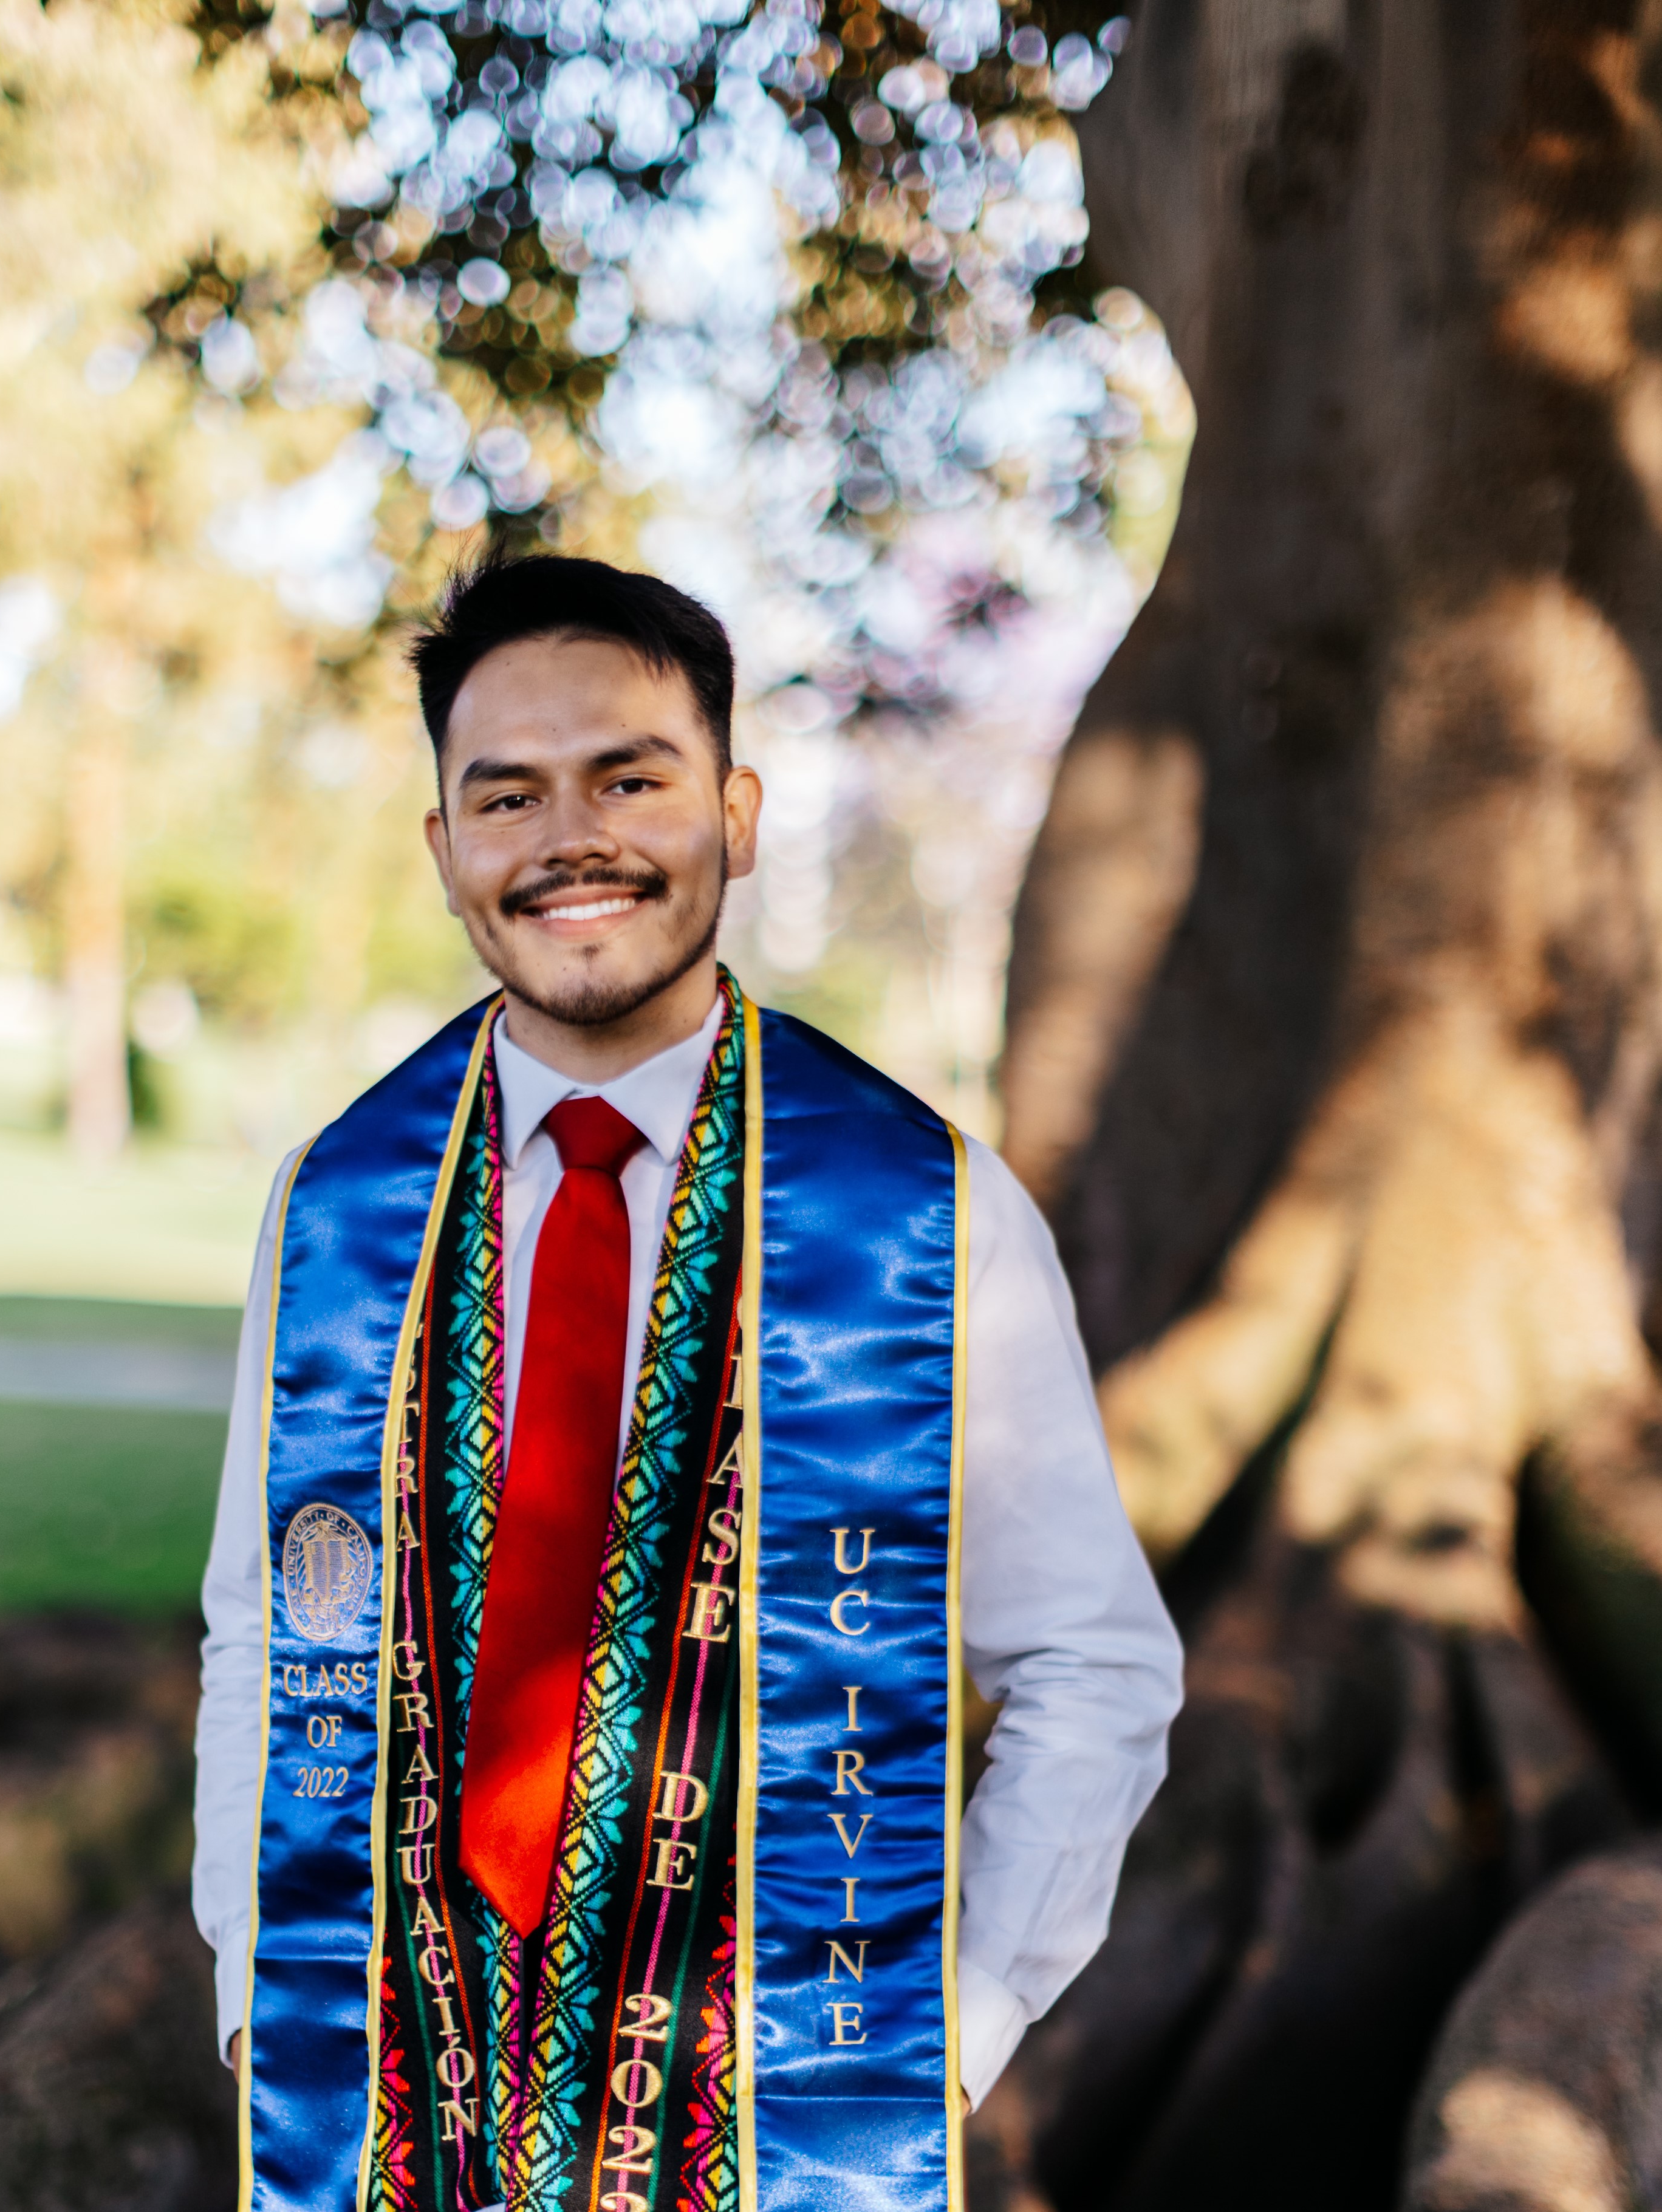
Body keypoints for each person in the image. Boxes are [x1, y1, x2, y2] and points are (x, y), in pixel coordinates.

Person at [193, 553, 1181, 2212]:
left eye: (627, 780)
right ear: (445, 851)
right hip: (400, 2115)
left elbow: (1086, 1665)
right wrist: (252, 1999)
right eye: (506, 795)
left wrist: (949, 2028)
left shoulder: (913, 1215)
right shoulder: (338, 1203)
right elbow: (264, 1627)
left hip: (781, 2123)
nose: (569, 838)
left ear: (731, 811)